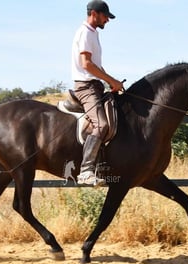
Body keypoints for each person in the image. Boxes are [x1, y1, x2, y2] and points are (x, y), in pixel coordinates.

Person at [71, 0, 124, 186]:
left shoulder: (93, 33)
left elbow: (97, 66)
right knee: (101, 125)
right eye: (105, 16)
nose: (107, 20)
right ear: (94, 13)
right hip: (86, 87)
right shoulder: (85, 32)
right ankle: (86, 171)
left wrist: (112, 82)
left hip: (96, 85)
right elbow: (86, 65)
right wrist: (111, 80)